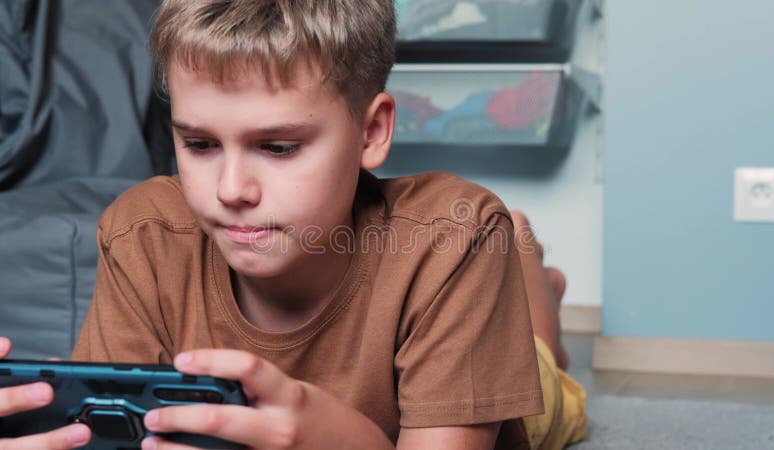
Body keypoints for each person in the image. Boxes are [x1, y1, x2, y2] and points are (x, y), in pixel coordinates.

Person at [0, 1, 586, 449]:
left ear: (373, 131)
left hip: (499, 352)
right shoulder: (142, 234)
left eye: (278, 147)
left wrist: (323, 435)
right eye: (199, 143)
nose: (231, 190)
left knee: (546, 366)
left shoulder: (454, 239)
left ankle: (532, 273)